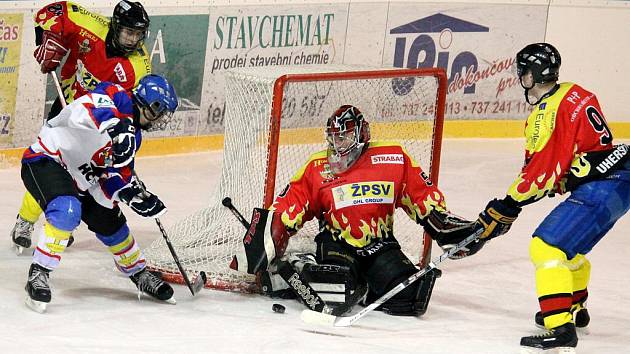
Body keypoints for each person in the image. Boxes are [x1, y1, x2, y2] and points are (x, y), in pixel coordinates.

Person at [230, 105, 478, 316]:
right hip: (337, 244)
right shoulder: (318, 166)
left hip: (380, 245)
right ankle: (300, 266)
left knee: (413, 297)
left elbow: (421, 198)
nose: (339, 145)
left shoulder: (393, 158)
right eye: (335, 138)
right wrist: (270, 235)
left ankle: (365, 286)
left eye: (345, 137)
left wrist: (447, 228)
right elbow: (291, 205)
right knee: (337, 288)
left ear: (362, 134)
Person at [472, 43, 630, 352]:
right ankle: (575, 308)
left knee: (546, 247)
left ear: (531, 75)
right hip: (621, 180)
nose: (521, 77)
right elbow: (576, 153)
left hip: (602, 186)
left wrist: (509, 203)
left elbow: (541, 170)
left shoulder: (546, 114)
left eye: (523, 72)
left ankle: (560, 327)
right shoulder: (575, 91)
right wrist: (563, 179)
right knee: (568, 251)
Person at [21, 74, 179, 313]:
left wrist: (129, 194)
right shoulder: (114, 95)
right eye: (159, 113)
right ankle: (39, 272)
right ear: (150, 104)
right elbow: (80, 112)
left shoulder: (135, 136)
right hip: (48, 160)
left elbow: (114, 175)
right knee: (67, 210)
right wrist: (118, 126)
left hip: (85, 179)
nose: (159, 120)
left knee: (112, 224)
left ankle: (138, 272)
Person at [11, 0, 152, 252]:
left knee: (79, 175)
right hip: (68, 107)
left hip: (96, 126)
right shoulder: (90, 25)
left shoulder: (138, 66)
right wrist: (46, 39)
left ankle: (60, 222)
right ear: (115, 26)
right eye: (128, 32)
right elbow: (48, 14)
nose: (133, 40)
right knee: (53, 165)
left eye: (138, 34)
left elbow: (133, 110)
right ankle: (25, 220)